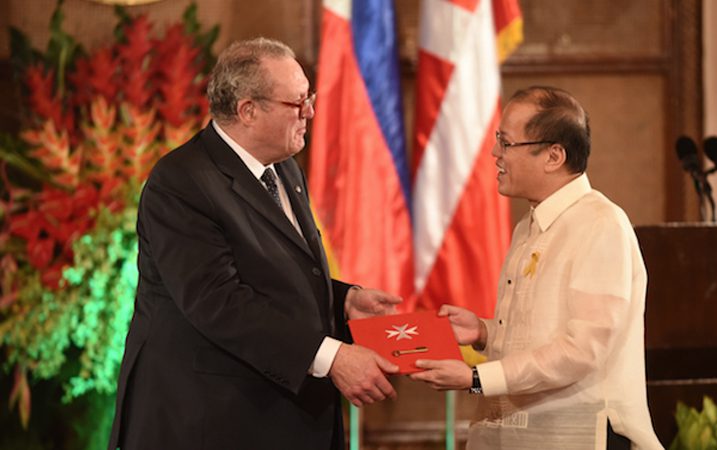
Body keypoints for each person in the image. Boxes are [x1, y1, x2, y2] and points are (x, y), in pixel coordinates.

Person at [107, 37, 402, 450]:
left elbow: (271, 272)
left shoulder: (285, 168)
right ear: (248, 110)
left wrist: (342, 300)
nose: (310, 113)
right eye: (297, 103)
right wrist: (331, 356)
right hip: (209, 424)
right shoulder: (181, 182)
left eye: (310, 98)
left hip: (277, 417)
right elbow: (219, 302)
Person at [410, 86, 664, 450]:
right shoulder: (529, 225)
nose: (495, 152)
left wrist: (477, 378)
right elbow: (540, 333)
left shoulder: (601, 224)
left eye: (506, 142)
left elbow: (582, 350)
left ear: (553, 156)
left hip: (581, 437)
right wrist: (484, 332)